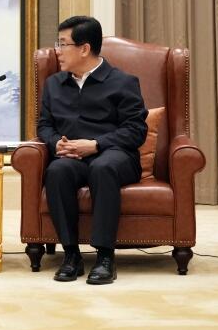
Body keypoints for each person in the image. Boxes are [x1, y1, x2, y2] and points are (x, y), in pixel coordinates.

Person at [37, 16, 148, 285]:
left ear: (84, 48)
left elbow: (136, 131)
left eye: (63, 44)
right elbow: (44, 125)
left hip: (115, 155)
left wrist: (96, 144)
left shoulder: (123, 82)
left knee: (102, 167)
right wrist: (56, 143)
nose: (57, 51)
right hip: (72, 157)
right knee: (57, 170)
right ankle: (71, 255)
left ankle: (105, 257)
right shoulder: (54, 84)